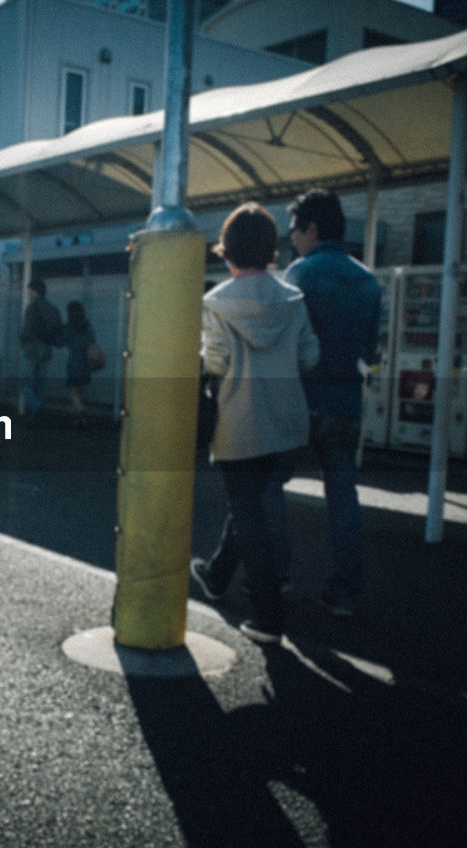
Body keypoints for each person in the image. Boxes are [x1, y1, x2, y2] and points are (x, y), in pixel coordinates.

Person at [190, 202, 319, 645]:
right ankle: (216, 574)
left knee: (250, 515)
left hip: (240, 426)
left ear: (227, 252)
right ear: (271, 250)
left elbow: (217, 363)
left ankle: (267, 616)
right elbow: (309, 356)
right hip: (287, 425)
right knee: (252, 506)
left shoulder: (216, 304)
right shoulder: (293, 299)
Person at [284, 188, 382, 618]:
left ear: (313, 229)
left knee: (266, 487)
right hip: (346, 400)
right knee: (343, 496)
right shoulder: (368, 280)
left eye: (295, 229)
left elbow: (285, 341)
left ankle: (269, 577)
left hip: (303, 398)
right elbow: (372, 352)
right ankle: (345, 590)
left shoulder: (300, 274)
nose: (291, 238)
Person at [18, 277, 62, 424]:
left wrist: (23, 343)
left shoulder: (32, 307)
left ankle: (34, 405)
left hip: (32, 348)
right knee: (39, 384)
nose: (28, 292)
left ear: (34, 290)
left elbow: (27, 330)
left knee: (24, 382)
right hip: (46, 349)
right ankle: (34, 416)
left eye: (29, 289)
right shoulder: (52, 307)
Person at [62, 300, 95, 428]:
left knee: (72, 389)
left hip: (74, 361)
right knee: (78, 389)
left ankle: (81, 413)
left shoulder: (69, 327)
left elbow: (63, 340)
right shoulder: (87, 326)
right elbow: (92, 340)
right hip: (86, 361)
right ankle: (80, 417)